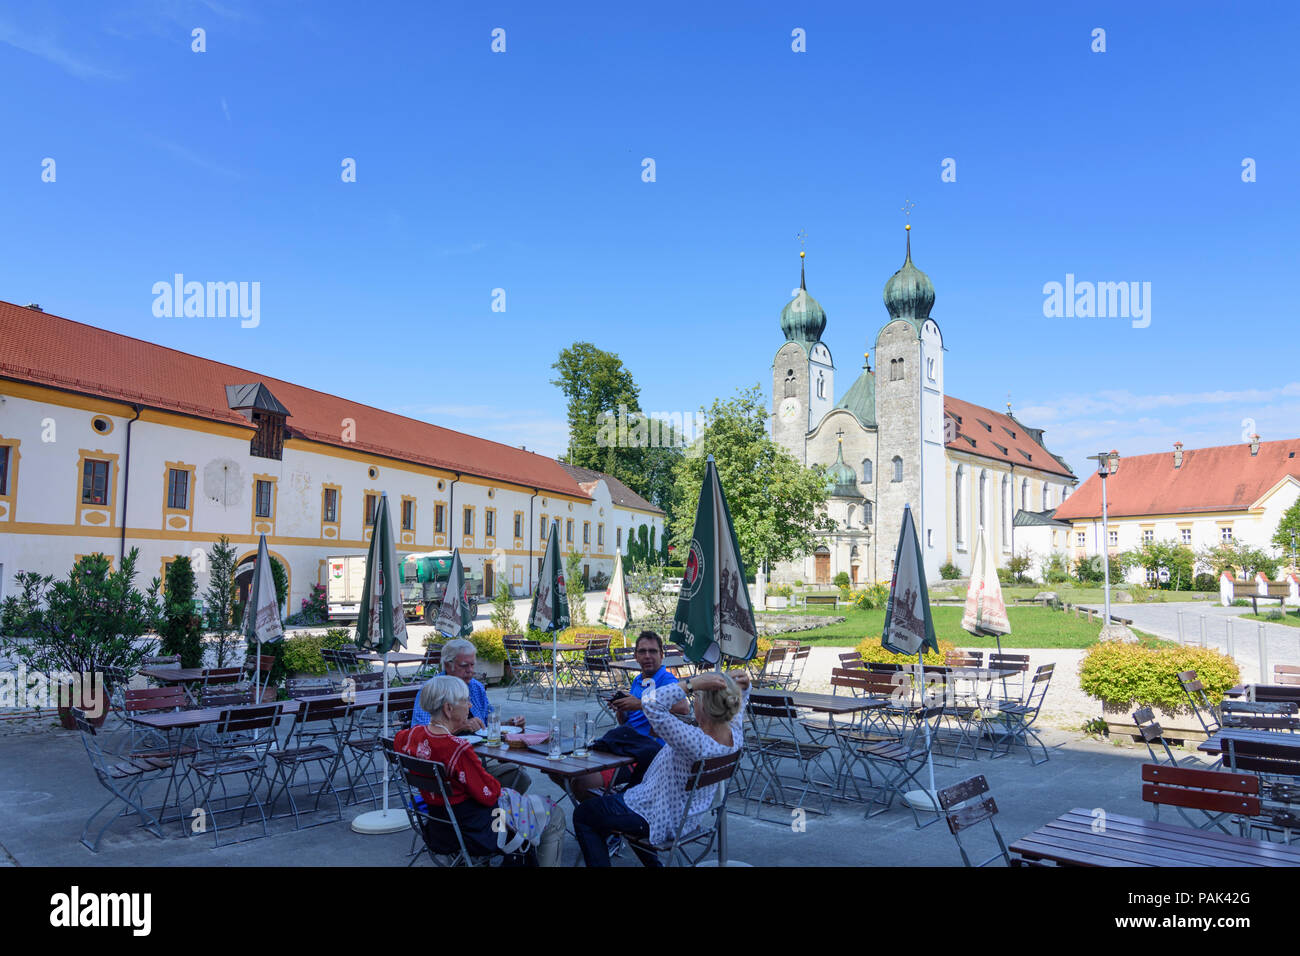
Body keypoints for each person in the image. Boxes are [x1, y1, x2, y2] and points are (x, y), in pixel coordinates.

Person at [572, 668, 750, 867]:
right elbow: (740, 705)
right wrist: (744, 687)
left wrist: (692, 684)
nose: (694, 702)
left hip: (658, 817)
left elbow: (652, 705)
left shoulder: (694, 742)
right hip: (685, 817)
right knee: (612, 803)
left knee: (584, 814)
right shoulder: (734, 735)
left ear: (707, 707)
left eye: (697, 698)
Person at [395, 676, 566, 866]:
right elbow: (490, 794)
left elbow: (395, 742)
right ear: (448, 709)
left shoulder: (410, 736)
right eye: (465, 701)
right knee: (553, 812)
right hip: (478, 831)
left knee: (516, 784)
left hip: (438, 826)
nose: (469, 705)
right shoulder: (457, 749)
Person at [564, 630, 690, 802]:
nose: (647, 656)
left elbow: (683, 707)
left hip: (646, 753)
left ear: (661, 655)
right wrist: (622, 709)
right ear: (636, 657)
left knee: (581, 783)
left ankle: (607, 814)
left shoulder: (665, 679)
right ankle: (608, 809)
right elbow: (626, 721)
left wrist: (639, 702)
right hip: (623, 745)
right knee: (562, 772)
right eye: (642, 651)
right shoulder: (638, 680)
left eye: (653, 651)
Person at [412, 637, 531, 792]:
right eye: (464, 665)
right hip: (448, 772)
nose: (470, 670)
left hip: (477, 762)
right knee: (517, 776)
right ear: (448, 665)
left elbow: (488, 725)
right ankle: (492, 810)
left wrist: (508, 725)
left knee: (520, 775)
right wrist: (460, 727)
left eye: (472, 664)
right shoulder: (433, 691)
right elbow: (421, 736)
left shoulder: (476, 687)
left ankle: (498, 809)